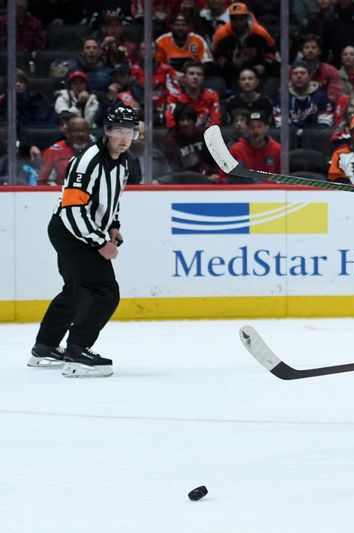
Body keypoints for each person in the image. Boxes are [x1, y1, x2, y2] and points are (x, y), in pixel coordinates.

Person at [28, 106, 139, 378]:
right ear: (106, 131)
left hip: (82, 230)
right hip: (70, 231)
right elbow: (72, 209)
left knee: (76, 289)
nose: (124, 138)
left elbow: (110, 200)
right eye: (118, 131)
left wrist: (113, 225)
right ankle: (77, 350)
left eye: (130, 132)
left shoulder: (124, 161)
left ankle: (44, 347)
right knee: (105, 291)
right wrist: (100, 242)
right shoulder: (87, 160)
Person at [226, 111, 281, 184]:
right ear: (247, 129)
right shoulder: (236, 149)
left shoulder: (277, 149)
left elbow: (284, 178)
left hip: (271, 192)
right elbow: (225, 178)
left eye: (259, 126)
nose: (256, 131)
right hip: (243, 192)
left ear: (266, 128)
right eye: (252, 127)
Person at [164, 60, 223, 128]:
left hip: (205, 135)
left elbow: (215, 122)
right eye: (191, 73)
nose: (195, 77)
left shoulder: (212, 96)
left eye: (199, 74)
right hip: (180, 135)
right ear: (185, 77)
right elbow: (170, 123)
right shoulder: (174, 96)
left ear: (203, 78)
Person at [38, 117, 91, 185]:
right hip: (59, 192)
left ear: (89, 132)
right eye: (75, 131)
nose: (80, 134)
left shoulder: (99, 150)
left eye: (84, 131)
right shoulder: (53, 151)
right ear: (67, 133)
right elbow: (42, 181)